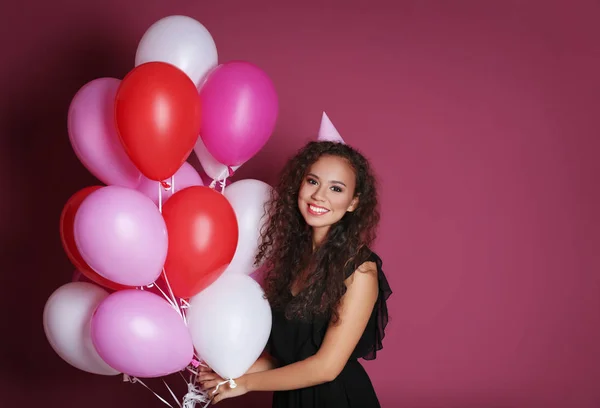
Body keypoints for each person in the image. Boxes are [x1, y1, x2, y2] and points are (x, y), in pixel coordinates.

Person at [198, 141, 392, 407]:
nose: (319, 196)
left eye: (336, 188)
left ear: (353, 203)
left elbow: (327, 367)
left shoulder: (360, 271)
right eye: (313, 181)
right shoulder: (295, 260)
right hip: (292, 399)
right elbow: (288, 354)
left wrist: (244, 384)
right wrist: (229, 374)